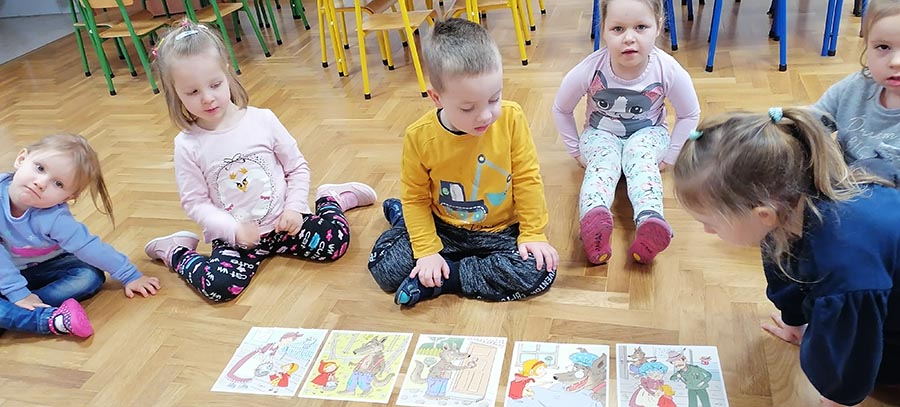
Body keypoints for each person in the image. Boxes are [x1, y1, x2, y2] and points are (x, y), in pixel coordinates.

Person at [673, 106, 900, 406]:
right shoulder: (788, 204)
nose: (706, 231)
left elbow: (851, 350)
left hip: (876, 298)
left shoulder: (842, 269)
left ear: (763, 215)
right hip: (872, 286)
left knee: (876, 370)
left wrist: (838, 396)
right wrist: (794, 321)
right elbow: (782, 268)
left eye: (710, 223)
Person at [144, 21, 376, 302]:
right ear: (175, 93)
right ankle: (175, 250)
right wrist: (233, 230)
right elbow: (195, 203)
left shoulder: (262, 120)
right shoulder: (187, 145)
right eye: (192, 92)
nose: (207, 98)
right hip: (235, 239)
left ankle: (330, 199)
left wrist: (294, 208)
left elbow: (296, 168)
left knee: (335, 243)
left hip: (285, 224)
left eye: (215, 84)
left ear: (227, 72)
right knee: (219, 286)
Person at [368, 18, 558, 307]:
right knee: (386, 269)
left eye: (494, 99)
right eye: (468, 107)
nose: (485, 116)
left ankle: (447, 278)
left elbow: (527, 178)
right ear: (436, 98)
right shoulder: (419, 137)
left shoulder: (512, 118)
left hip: (499, 231)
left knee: (539, 269)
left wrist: (533, 233)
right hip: (443, 226)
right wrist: (427, 250)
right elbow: (416, 198)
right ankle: (404, 221)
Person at [552, 0, 700, 265]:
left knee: (639, 157)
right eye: (618, 29)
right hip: (600, 134)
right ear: (603, 30)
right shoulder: (591, 68)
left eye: (641, 27)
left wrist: (671, 156)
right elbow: (561, 109)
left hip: (648, 134)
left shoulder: (667, 68)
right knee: (603, 162)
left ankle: (650, 220)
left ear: (658, 26)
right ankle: (594, 222)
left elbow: (689, 114)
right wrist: (575, 151)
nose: (629, 38)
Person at [0, 134, 161, 338]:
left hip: (47, 265)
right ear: (21, 159)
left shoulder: (55, 218)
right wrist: (17, 293)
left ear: (68, 197)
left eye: (58, 184)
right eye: (40, 168)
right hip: (4, 270)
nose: (41, 183)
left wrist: (130, 275)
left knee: (89, 276)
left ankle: (18, 310)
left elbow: (89, 247)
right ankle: (41, 318)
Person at [814, 0, 900, 183]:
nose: (895, 62)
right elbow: (812, 122)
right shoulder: (856, 86)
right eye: (883, 47)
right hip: (841, 186)